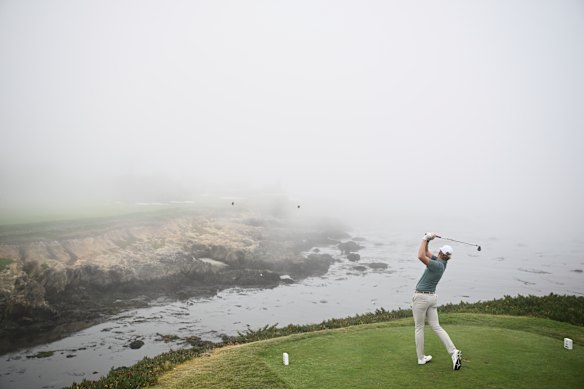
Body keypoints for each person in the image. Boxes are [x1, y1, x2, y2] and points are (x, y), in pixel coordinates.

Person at [413, 232, 462, 370]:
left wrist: (424, 238)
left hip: (421, 298)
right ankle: (453, 352)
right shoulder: (441, 263)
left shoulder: (437, 265)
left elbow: (420, 255)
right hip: (432, 299)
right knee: (436, 326)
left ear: (441, 252)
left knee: (419, 328)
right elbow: (427, 252)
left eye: (439, 250)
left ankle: (421, 358)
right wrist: (428, 239)